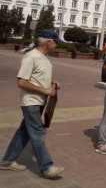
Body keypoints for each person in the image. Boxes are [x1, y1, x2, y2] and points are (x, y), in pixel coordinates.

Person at [0, 30, 64, 179]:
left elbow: (41, 74)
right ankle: (47, 167)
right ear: (48, 42)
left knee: (24, 132)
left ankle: (7, 161)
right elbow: (21, 82)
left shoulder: (44, 58)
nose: (57, 45)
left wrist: (52, 80)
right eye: (56, 42)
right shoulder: (31, 57)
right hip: (31, 102)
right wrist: (45, 89)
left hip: (39, 101)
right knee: (37, 132)